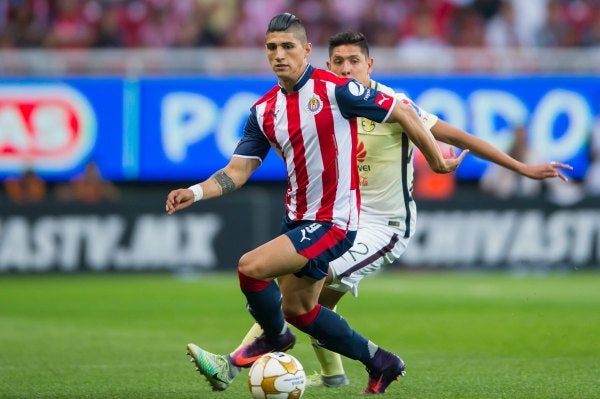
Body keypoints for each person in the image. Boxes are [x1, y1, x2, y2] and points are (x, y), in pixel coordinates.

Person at [182, 29, 574, 392]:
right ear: (327, 64)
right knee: (309, 304)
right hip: (338, 217)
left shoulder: (393, 104)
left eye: (355, 60)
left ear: (369, 65)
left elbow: (457, 135)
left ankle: (232, 365)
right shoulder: (329, 100)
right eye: (339, 61)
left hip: (383, 228)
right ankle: (339, 372)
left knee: (294, 289)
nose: (346, 67)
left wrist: (519, 167)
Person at [166, 14, 466, 395]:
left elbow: (403, 111)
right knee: (300, 311)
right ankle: (381, 362)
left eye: (288, 47)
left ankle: (267, 343)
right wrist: (194, 192)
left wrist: (438, 163)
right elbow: (237, 172)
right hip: (297, 220)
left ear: (306, 50)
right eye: (272, 47)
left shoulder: (336, 90)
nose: (279, 55)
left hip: (334, 222)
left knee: (251, 268)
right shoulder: (263, 111)